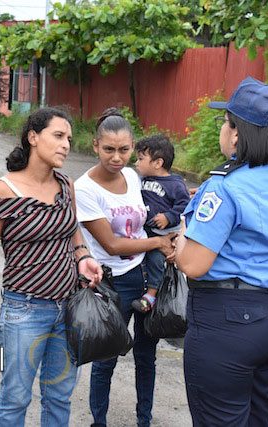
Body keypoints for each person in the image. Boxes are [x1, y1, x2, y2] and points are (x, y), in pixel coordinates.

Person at [175, 77, 268, 426]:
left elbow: (192, 264)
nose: (223, 129)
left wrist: (182, 231)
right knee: (257, 419)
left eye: (226, 122)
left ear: (236, 135)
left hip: (227, 323)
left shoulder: (223, 186)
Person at [0, 107, 103, 427]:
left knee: (59, 397)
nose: (66, 144)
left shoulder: (66, 185)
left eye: (69, 137)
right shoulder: (2, 191)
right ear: (33, 137)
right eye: (58, 136)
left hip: (69, 308)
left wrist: (83, 256)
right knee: (15, 399)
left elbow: (73, 229)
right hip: (24, 309)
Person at [74, 108, 176, 427]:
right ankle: (98, 422)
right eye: (109, 149)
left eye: (124, 150)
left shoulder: (133, 176)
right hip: (111, 284)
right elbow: (112, 246)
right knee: (106, 359)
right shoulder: (84, 189)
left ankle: (144, 420)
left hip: (145, 276)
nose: (116, 157)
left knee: (147, 356)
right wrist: (158, 243)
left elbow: (143, 222)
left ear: (132, 147)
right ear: (95, 146)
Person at [131, 134, 190, 313]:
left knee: (156, 261)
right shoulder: (142, 180)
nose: (136, 163)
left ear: (157, 163)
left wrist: (169, 217)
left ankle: (151, 294)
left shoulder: (175, 184)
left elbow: (185, 205)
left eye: (141, 159)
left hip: (163, 234)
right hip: (145, 231)